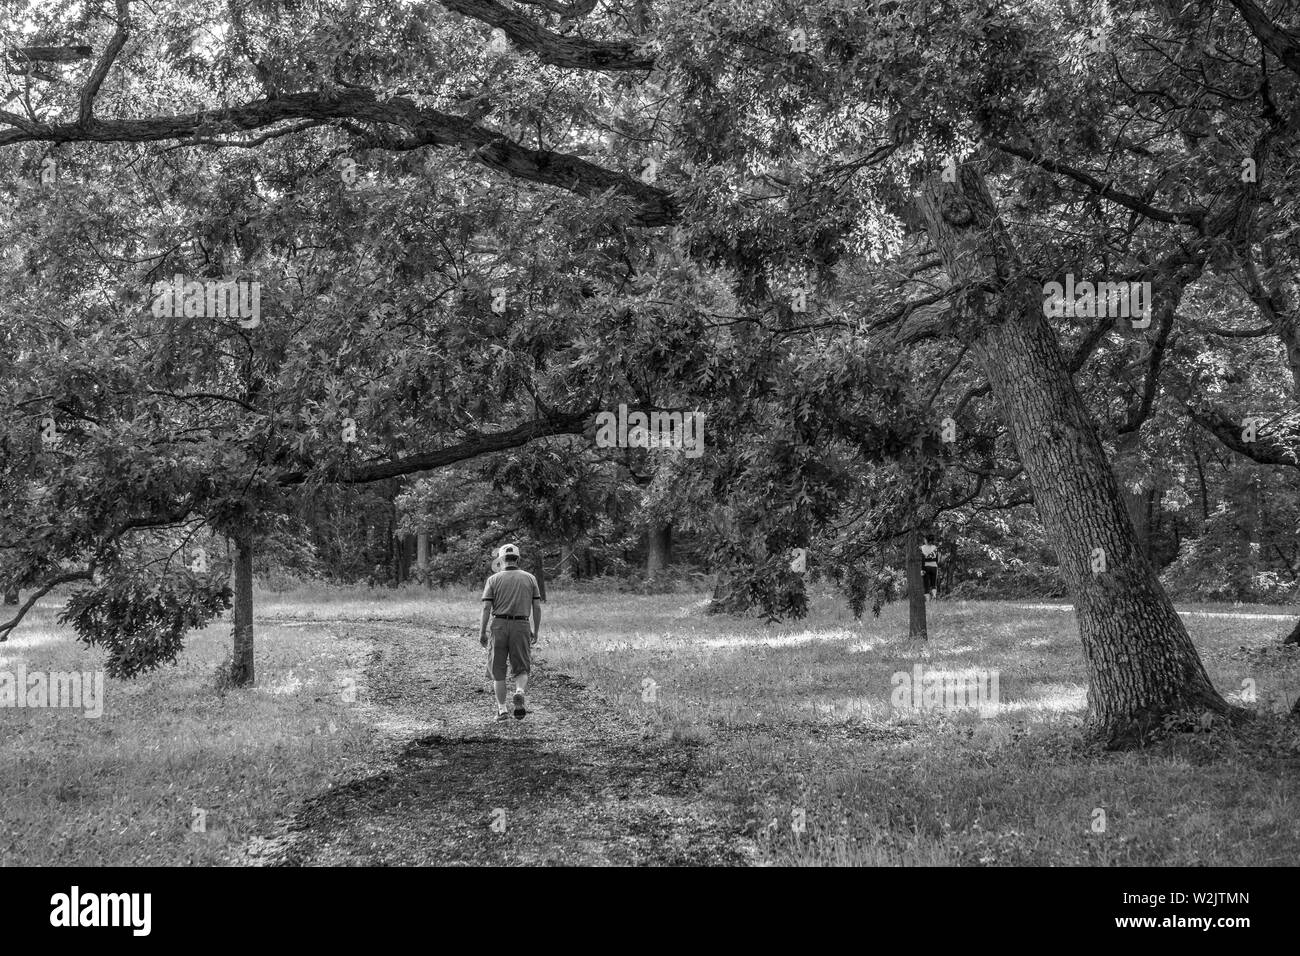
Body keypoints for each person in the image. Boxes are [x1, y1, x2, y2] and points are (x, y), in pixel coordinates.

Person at [479, 543, 542, 721]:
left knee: (497, 669)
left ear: (501, 560)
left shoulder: (493, 580)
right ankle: (519, 691)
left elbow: (486, 607)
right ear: (518, 558)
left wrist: (482, 632)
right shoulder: (530, 578)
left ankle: (502, 710)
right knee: (521, 666)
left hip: (498, 624)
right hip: (521, 625)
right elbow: (536, 606)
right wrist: (535, 630)